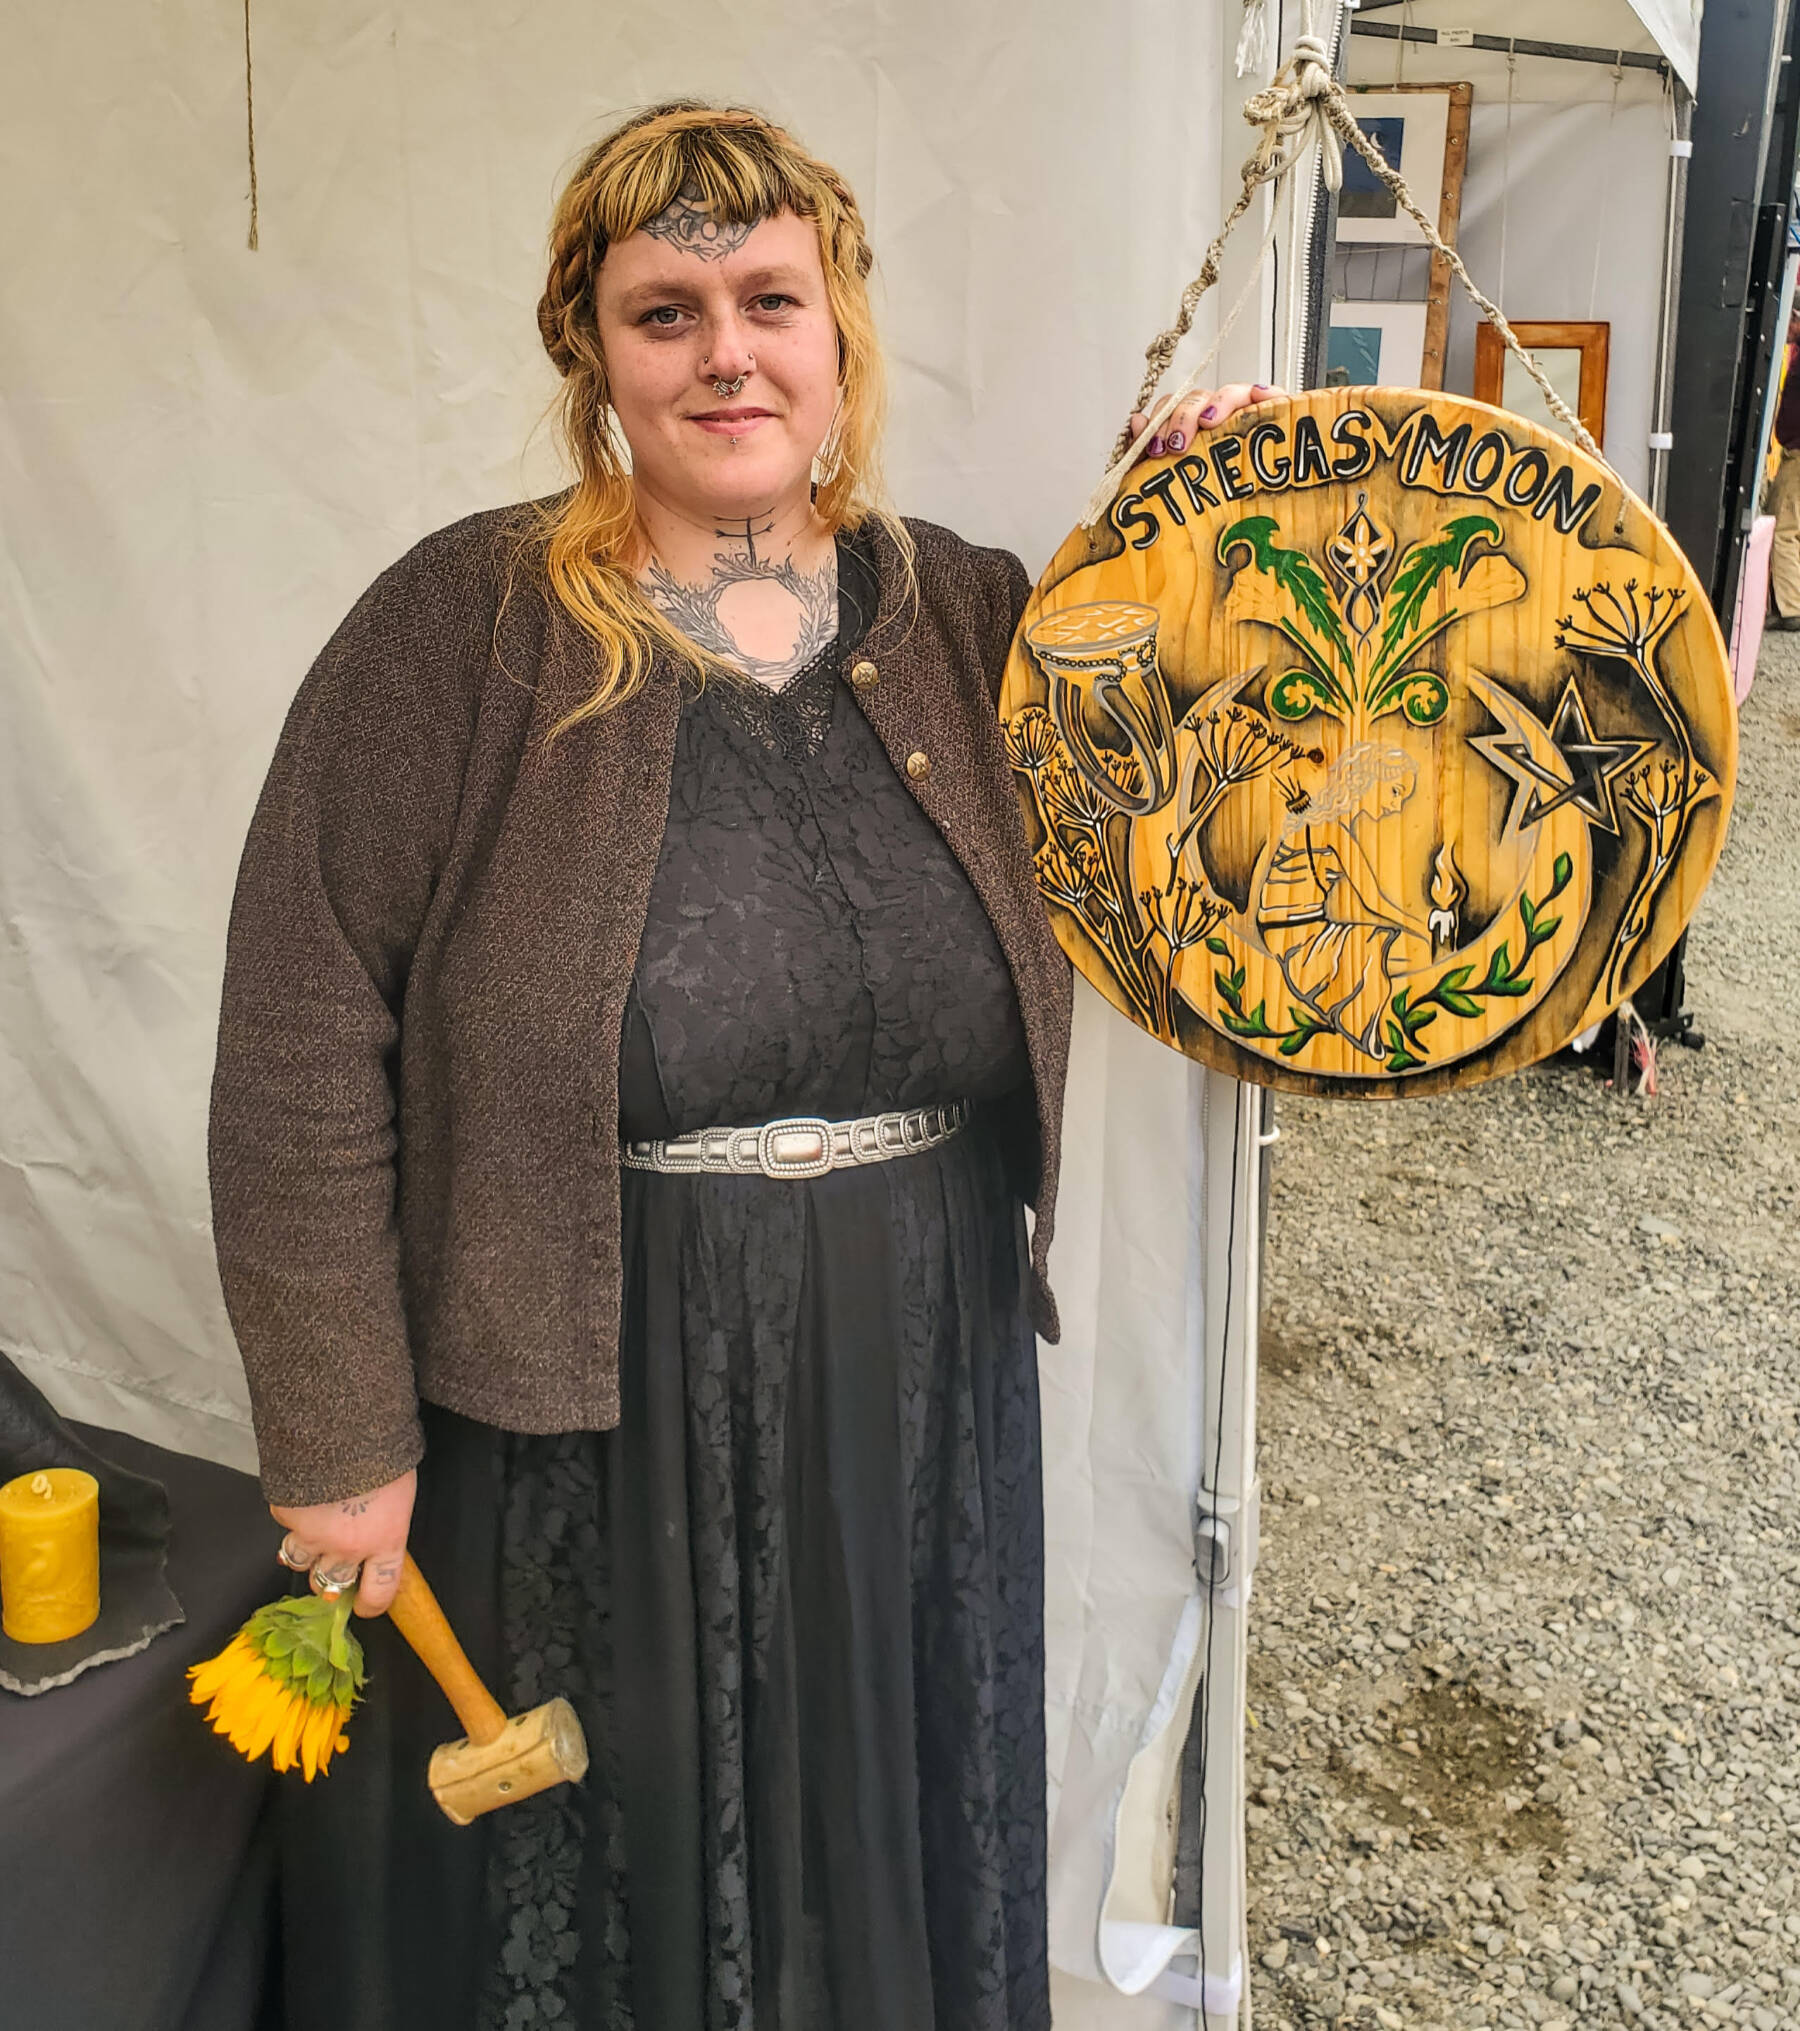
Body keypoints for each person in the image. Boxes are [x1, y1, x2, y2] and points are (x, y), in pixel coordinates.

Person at [207, 99, 1273, 2031]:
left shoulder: (970, 610)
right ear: (591, 355)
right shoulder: (458, 627)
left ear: (840, 329)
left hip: (912, 1356)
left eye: (769, 298)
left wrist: (1208, 536)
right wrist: (340, 1435)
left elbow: (1200, 818)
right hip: (587, 1383)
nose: (726, 351)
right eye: (664, 309)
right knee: (612, 1871)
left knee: (881, 1815)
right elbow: (295, 1027)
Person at [1766, 300, 1800, 629]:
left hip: (1798, 452)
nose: (1785, 333)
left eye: (1789, 323)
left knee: (1783, 526)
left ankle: (1790, 609)